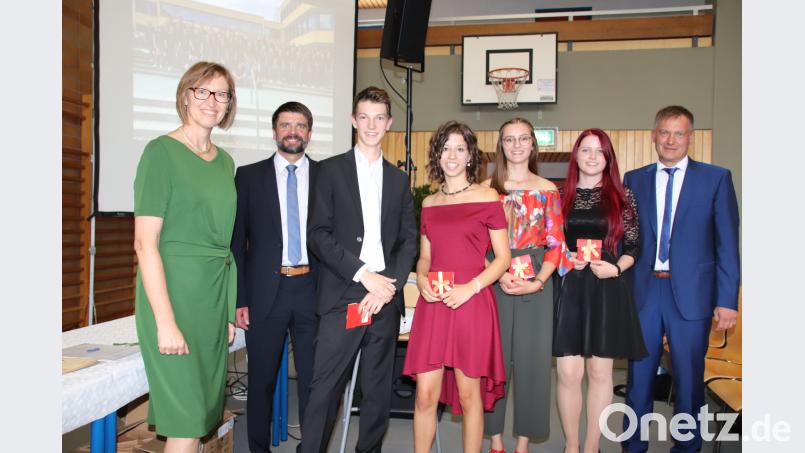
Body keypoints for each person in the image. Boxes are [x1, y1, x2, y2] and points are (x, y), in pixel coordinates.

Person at [300, 86, 418, 453]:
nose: (371, 125)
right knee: (325, 388)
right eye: (364, 117)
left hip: (384, 297)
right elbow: (317, 235)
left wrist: (386, 287)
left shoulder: (399, 180)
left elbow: (408, 241)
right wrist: (363, 274)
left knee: (377, 392)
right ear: (353, 120)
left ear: (389, 123)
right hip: (343, 294)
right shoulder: (330, 171)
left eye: (379, 118)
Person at [133, 61, 238, 453]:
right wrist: (165, 321)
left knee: (203, 416)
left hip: (211, 300)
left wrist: (227, 310)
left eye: (222, 94)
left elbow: (225, 244)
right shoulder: (160, 153)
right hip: (172, 297)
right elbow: (146, 244)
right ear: (185, 95)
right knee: (187, 416)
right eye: (203, 91)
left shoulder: (225, 162)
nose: (213, 101)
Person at [622, 106, 740, 453]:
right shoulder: (634, 179)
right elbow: (627, 238)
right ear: (653, 136)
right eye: (664, 132)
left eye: (679, 133)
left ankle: (687, 447)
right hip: (644, 291)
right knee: (638, 378)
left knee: (689, 381)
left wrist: (727, 300)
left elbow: (727, 244)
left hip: (692, 295)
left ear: (690, 137)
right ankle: (633, 445)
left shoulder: (716, 178)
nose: (671, 140)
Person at [403, 121, 511, 453]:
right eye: (446, 148)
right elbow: (425, 256)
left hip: (472, 302)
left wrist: (471, 287)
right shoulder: (429, 203)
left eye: (460, 149)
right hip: (433, 303)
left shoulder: (487, 196)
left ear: (469, 156)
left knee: (468, 395)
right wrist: (421, 278)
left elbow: (503, 258)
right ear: (438, 154)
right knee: (424, 395)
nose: (452, 155)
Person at [231, 101, 319, 453]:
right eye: (285, 125)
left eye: (299, 125)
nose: (292, 131)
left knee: (315, 382)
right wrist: (239, 299)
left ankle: (309, 448)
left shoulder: (327, 175)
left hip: (313, 291)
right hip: (265, 293)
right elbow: (237, 244)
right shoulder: (248, 176)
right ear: (274, 132)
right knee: (261, 382)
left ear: (309, 133)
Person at [553, 129, 647, 453]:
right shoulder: (559, 194)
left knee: (599, 371)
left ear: (608, 158)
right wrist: (566, 257)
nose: (592, 156)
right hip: (571, 286)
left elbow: (634, 245)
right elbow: (550, 243)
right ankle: (572, 444)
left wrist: (617, 268)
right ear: (576, 155)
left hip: (606, 284)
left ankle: (592, 445)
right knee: (568, 372)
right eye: (586, 150)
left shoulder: (623, 196)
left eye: (599, 151)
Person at [480, 118, 570, 453]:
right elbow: (476, 244)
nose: (516, 146)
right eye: (509, 139)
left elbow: (556, 244)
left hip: (536, 279)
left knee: (532, 362)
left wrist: (538, 282)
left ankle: (522, 442)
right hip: (493, 276)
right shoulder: (487, 191)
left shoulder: (548, 190)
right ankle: (496, 440)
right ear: (500, 145)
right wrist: (498, 272)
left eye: (523, 139)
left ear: (533, 145)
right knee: (495, 360)